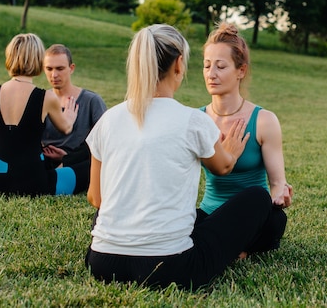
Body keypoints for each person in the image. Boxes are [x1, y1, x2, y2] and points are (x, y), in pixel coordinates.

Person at [84, 24, 274, 290]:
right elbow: (222, 168)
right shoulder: (192, 120)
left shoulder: (108, 119)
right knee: (258, 197)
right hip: (170, 267)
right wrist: (230, 151)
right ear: (179, 64)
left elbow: (96, 198)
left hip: (102, 263)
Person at [197, 22, 293, 256]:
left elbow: (277, 182)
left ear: (241, 71)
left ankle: (229, 247)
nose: (211, 74)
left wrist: (280, 193)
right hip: (210, 213)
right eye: (207, 66)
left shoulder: (264, 120)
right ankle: (235, 249)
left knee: (276, 219)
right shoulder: (196, 120)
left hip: (252, 218)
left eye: (220, 66)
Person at [0, 33, 85, 196]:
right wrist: (70, 117)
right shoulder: (46, 97)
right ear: (38, 59)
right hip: (34, 183)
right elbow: (66, 129)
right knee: (87, 168)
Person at [42, 44, 106, 194]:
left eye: (60, 68)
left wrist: (67, 158)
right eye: (49, 69)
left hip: (78, 162)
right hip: (45, 160)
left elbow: (105, 142)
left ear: (71, 68)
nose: (54, 75)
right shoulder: (41, 99)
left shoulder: (92, 101)